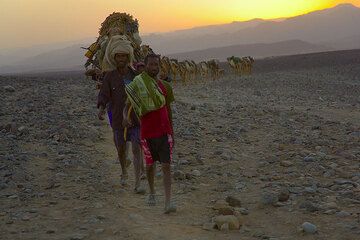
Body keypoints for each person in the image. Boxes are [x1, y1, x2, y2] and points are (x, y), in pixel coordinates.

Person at [124, 54, 176, 213]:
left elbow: (168, 110)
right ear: (145, 66)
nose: (154, 67)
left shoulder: (165, 86)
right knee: (150, 165)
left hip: (164, 131)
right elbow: (128, 105)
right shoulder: (138, 85)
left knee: (166, 166)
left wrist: (172, 132)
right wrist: (125, 118)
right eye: (151, 65)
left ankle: (168, 201)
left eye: (156, 64)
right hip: (147, 132)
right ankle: (152, 192)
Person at [97, 36, 145, 193]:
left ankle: (137, 182)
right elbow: (104, 94)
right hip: (117, 118)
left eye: (124, 56)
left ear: (128, 57)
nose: (121, 58)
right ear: (114, 57)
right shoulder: (109, 77)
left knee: (137, 148)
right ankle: (124, 171)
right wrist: (101, 108)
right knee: (121, 148)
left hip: (135, 119)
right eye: (118, 56)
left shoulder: (136, 76)